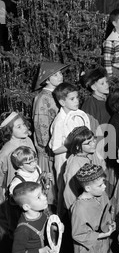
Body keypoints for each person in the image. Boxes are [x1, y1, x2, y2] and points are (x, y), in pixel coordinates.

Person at [49, 83, 90, 215]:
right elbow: (55, 149)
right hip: (64, 162)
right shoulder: (60, 122)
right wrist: (74, 144)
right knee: (65, 193)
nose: (77, 101)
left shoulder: (77, 116)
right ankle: (63, 222)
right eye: (72, 99)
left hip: (78, 160)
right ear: (62, 102)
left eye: (77, 97)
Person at [32, 61, 68, 205]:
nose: (60, 76)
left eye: (60, 73)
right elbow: (40, 124)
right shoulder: (43, 98)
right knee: (51, 182)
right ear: (47, 79)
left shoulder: (57, 93)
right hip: (50, 147)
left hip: (60, 142)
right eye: (56, 74)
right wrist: (47, 147)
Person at [63, 126, 104, 211]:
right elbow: (69, 193)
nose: (93, 144)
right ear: (77, 146)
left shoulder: (91, 153)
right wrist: (74, 211)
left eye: (94, 140)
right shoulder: (74, 165)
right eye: (89, 143)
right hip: (83, 207)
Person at [0, 112, 35, 206]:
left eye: (23, 124)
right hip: (17, 190)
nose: (24, 128)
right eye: (18, 127)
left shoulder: (28, 140)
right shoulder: (6, 151)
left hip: (32, 183)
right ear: (9, 131)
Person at [80, 67, 111, 138]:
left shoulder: (109, 98)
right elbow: (89, 127)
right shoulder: (90, 104)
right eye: (102, 83)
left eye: (106, 82)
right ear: (94, 87)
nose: (106, 85)